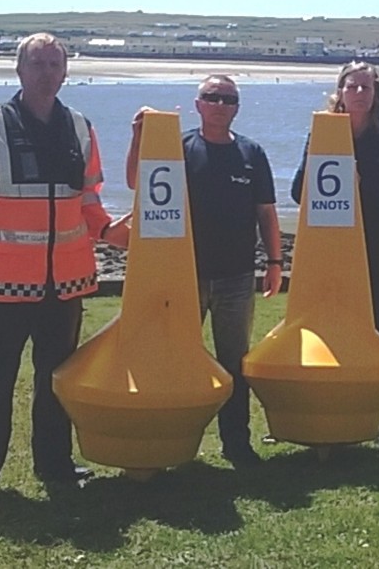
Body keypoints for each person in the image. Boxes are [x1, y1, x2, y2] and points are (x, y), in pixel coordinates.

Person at [0, 33, 130, 504]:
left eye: (55, 64)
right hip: (5, 284)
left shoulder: (80, 126)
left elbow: (88, 201)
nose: (47, 73)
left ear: (66, 72)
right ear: (19, 71)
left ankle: (55, 464)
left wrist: (112, 232)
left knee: (56, 381)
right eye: (38, 64)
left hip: (66, 285)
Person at [126, 75, 282, 468]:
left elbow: (266, 212)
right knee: (176, 357)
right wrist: (138, 138)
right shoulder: (178, 148)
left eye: (228, 98)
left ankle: (237, 442)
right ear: (198, 105)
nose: (220, 104)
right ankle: (173, 437)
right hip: (184, 277)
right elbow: (135, 183)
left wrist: (276, 262)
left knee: (234, 362)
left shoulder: (251, 152)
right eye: (212, 97)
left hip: (236, 276)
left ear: (237, 107)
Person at [290, 62, 379, 440]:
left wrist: (361, 183)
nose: (359, 93)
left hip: (375, 254)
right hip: (326, 257)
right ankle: (315, 412)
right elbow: (299, 193)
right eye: (352, 87)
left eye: (366, 87)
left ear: (376, 95)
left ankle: (370, 417)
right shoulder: (321, 136)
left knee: (374, 335)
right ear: (339, 91)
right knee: (320, 334)